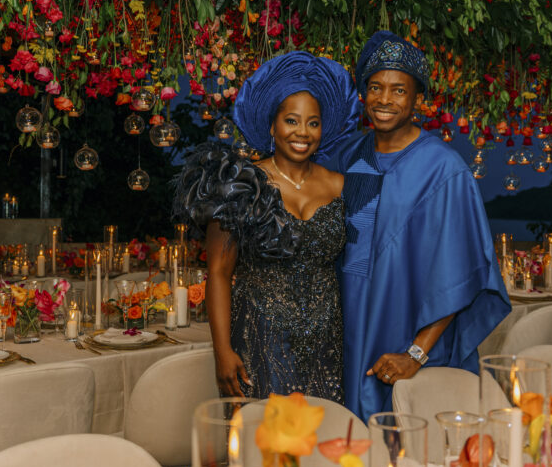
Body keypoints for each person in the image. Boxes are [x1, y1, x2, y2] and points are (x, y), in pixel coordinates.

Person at [324, 31, 511, 421]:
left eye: (398, 90)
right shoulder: (346, 155)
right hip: (349, 324)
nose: (384, 100)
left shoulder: (444, 169)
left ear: (416, 100)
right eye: (375, 87)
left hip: (406, 326)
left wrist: (415, 353)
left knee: (408, 450)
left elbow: (458, 275)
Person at [173, 51, 360, 401]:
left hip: (326, 342)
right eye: (292, 120)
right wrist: (222, 351)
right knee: (264, 445)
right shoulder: (240, 183)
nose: (302, 132)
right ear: (272, 126)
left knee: (324, 445)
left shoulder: (342, 186)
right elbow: (218, 272)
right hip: (261, 338)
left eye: (313, 123)